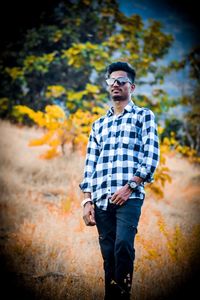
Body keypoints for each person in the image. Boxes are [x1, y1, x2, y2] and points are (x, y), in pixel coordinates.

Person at [79, 61, 160, 300]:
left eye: (121, 81)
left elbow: (151, 156)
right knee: (108, 255)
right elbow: (89, 165)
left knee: (123, 247)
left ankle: (123, 295)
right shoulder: (98, 125)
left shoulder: (143, 116)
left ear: (131, 87)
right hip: (102, 200)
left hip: (130, 197)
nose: (115, 84)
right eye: (111, 81)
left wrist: (130, 186)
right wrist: (86, 201)